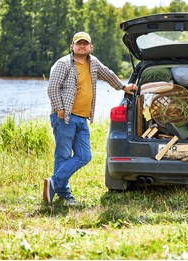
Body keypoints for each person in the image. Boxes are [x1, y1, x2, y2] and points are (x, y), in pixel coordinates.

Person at [43, 31, 137, 205]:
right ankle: (63, 194)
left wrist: (123, 87)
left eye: (85, 43)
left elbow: (107, 74)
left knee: (84, 155)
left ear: (90, 47)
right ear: (72, 46)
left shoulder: (93, 63)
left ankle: (54, 183)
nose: (82, 46)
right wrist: (59, 109)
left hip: (82, 118)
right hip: (65, 117)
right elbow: (53, 88)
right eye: (78, 43)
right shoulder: (62, 64)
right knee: (63, 155)